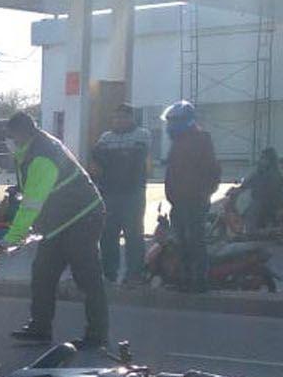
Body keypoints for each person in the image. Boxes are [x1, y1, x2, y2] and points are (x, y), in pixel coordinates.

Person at [2, 111, 109, 349]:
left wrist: (13, 236)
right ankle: (40, 328)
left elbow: (32, 201)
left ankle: (97, 335)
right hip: (60, 222)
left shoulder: (41, 156)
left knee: (87, 276)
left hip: (81, 216)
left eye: (11, 136)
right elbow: (31, 193)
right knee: (43, 273)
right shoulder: (31, 149)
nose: (9, 141)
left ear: (22, 133)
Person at [161, 100, 221, 293]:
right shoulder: (178, 143)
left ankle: (199, 280)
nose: (170, 126)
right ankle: (184, 278)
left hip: (194, 201)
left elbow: (212, 171)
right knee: (181, 241)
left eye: (174, 121)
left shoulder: (201, 140)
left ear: (186, 121)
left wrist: (203, 193)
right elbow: (172, 172)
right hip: (178, 201)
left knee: (196, 241)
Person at [89, 104, 150, 285]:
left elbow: (137, 159)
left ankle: (134, 274)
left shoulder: (142, 134)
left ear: (131, 118)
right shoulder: (106, 137)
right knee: (108, 235)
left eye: (123, 117)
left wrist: (112, 160)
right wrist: (120, 158)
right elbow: (97, 156)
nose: (119, 121)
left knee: (134, 235)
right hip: (109, 194)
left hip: (133, 194)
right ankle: (109, 274)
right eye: (116, 117)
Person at [238, 147, 283, 234]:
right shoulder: (261, 171)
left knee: (251, 212)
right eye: (262, 158)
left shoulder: (272, 173)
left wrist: (254, 189)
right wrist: (241, 187)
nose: (262, 160)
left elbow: (268, 187)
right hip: (262, 198)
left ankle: (251, 231)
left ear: (270, 160)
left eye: (264, 158)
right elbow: (252, 179)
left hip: (269, 200)